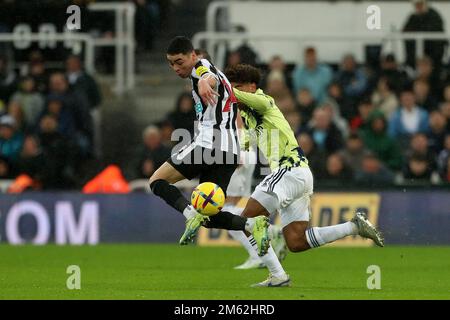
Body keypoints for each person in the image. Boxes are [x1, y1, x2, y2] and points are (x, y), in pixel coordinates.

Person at [185, 64, 384, 287]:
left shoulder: (264, 101)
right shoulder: (250, 117)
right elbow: (243, 143)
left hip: (288, 170)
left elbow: (232, 95)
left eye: (239, 86)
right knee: (297, 241)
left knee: (246, 219)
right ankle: (354, 226)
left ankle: (277, 273)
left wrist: (210, 81)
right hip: (299, 176)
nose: (236, 91)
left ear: (252, 86)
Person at [148, 37, 269, 261]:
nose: (176, 68)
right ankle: (252, 224)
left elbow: (206, 75)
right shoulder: (218, 74)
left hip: (209, 144)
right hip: (229, 151)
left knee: (156, 181)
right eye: (171, 64)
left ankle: (189, 214)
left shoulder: (201, 68)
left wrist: (204, 80)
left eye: (179, 61)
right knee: (210, 213)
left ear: (193, 56)